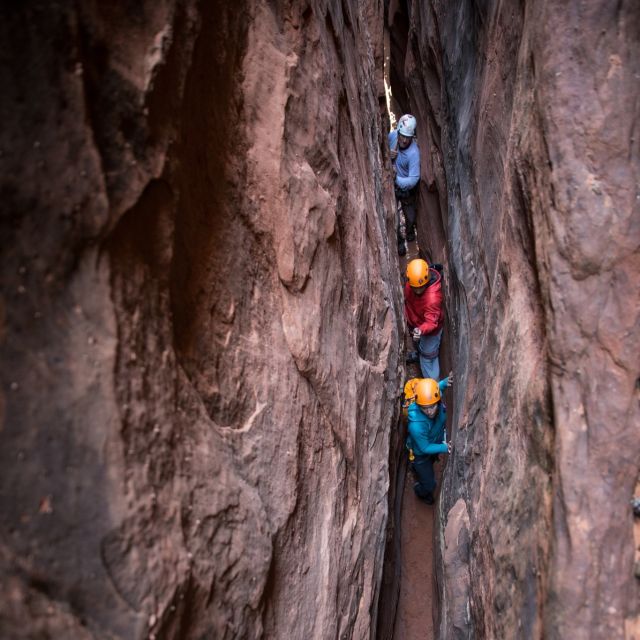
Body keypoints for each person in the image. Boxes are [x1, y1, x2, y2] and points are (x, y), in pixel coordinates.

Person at [406, 376, 452, 504]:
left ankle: (417, 469)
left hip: (433, 441)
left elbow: (435, 391)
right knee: (429, 485)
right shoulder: (416, 425)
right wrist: (444, 447)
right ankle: (420, 490)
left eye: (432, 407)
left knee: (431, 461)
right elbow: (425, 448)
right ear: (419, 405)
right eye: (424, 408)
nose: (429, 411)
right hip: (421, 455)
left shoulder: (432, 399)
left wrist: (444, 383)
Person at [404, 258, 444, 380]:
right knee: (418, 344)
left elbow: (432, 322)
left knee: (428, 357)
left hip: (430, 330)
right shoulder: (414, 281)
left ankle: (433, 389)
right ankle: (418, 354)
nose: (416, 290)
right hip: (416, 320)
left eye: (419, 287)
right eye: (413, 287)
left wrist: (420, 330)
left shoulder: (432, 298)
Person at [388, 114, 420, 254]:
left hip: (406, 189)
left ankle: (410, 231)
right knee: (393, 218)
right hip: (392, 186)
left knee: (411, 216)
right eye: (402, 136)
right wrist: (388, 154)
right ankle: (400, 242)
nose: (404, 140)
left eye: (407, 137)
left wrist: (397, 179)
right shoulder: (393, 136)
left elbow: (414, 179)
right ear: (398, 132)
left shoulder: (413, 153)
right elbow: (381, 145)